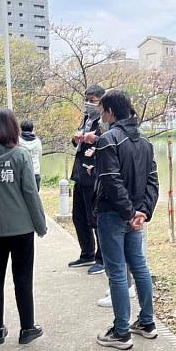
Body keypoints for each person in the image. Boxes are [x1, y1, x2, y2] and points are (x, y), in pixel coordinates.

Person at [0, 109, 48, 346]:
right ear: (12, 127)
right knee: (23, 278)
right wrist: (40, 225)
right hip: (21, 228)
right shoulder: (19, 155)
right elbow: (30, 193)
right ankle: (27, 328)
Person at [93, 90, 159, 350]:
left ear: (110, 112)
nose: (101, 117)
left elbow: (111, 180)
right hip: (135, 216)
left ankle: (121, 331)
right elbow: (153, 179)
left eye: (102, 112)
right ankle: (147, 322)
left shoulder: (108, 140)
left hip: (114, 214)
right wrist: (142, 211)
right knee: (139, 266)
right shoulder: (144, 142)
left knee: (118, 271)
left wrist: (131, 212)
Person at [68, 85, 105, 275]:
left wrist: (93, 138)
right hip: (80, 173)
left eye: (92, 100)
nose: (88, 104)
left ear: (101, 101)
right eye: (87, 100)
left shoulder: (105, 122)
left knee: (95, 218)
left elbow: (105, 143)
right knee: (79, 216)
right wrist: (77, 138)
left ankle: (102, 258)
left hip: (94, 174)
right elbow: (78, 142)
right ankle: (87, 253)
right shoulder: (86, 118)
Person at [19, 120, 43, 190]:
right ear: (32, 129)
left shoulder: (18, 141)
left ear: (21, 128)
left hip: (21, 172)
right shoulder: (37, 141)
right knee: (35, 196)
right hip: (35, 171)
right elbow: (40, 154)